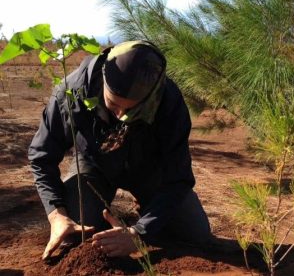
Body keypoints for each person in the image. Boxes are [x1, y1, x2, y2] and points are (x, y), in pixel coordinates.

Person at [28, 40, 211, 260]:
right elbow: (41, 156)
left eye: (132, 109)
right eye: (113, 105)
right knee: (76, 235)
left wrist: (139, 231)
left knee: (195, 233)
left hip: (149, 170)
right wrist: (56, 215)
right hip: (94, 166)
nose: (120, 116)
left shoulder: (169, 101)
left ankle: (145, 206)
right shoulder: (72, 93)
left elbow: (179, 178)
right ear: (103, 82)